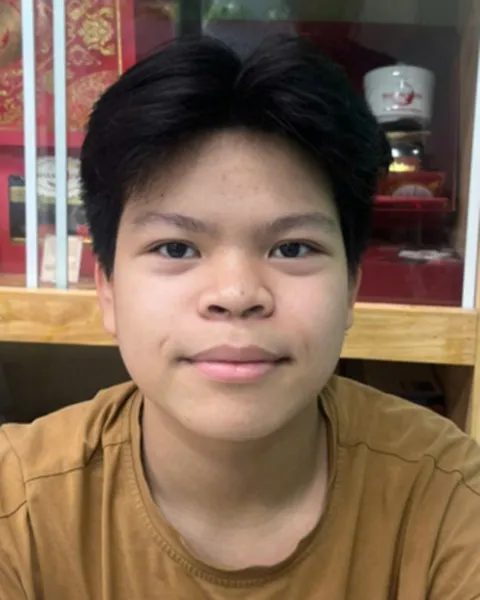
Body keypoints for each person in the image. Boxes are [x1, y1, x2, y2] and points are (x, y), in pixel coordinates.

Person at [1, 34, 479, 600]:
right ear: (107, 287)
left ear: (352, 284)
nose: (235, 294)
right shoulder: (19, 507)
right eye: (176, 248)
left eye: (292, 248)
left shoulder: (447, 496)